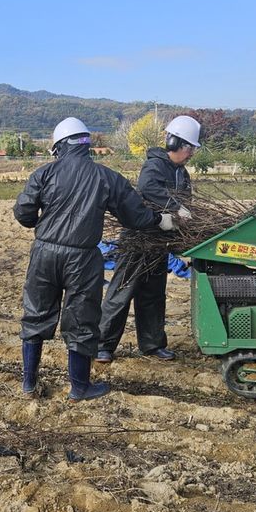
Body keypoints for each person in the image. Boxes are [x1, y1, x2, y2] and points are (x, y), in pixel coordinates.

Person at [13, 117, 176, 402]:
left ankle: (28, 385)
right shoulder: (106, 177)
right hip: (83, 258)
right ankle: (79, 387)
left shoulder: (44, 174)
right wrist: (159, 219)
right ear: (86, 144)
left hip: (44, 255)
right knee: (81, 320)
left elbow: (24, 214)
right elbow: (134, 216)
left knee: (36, 314)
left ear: (60, 146)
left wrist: (46, 222)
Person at [96, 114, 201, 364]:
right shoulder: (155, 166)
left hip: (160, 242)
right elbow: (148, 188)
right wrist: (175, 206)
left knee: (154, 294)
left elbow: (186, 202)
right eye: (188, 148)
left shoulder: (182, 174)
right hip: (138, 238)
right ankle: (103, 345)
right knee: (121, 292)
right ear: (174, 143)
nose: (190, 154)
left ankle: (153, 345)